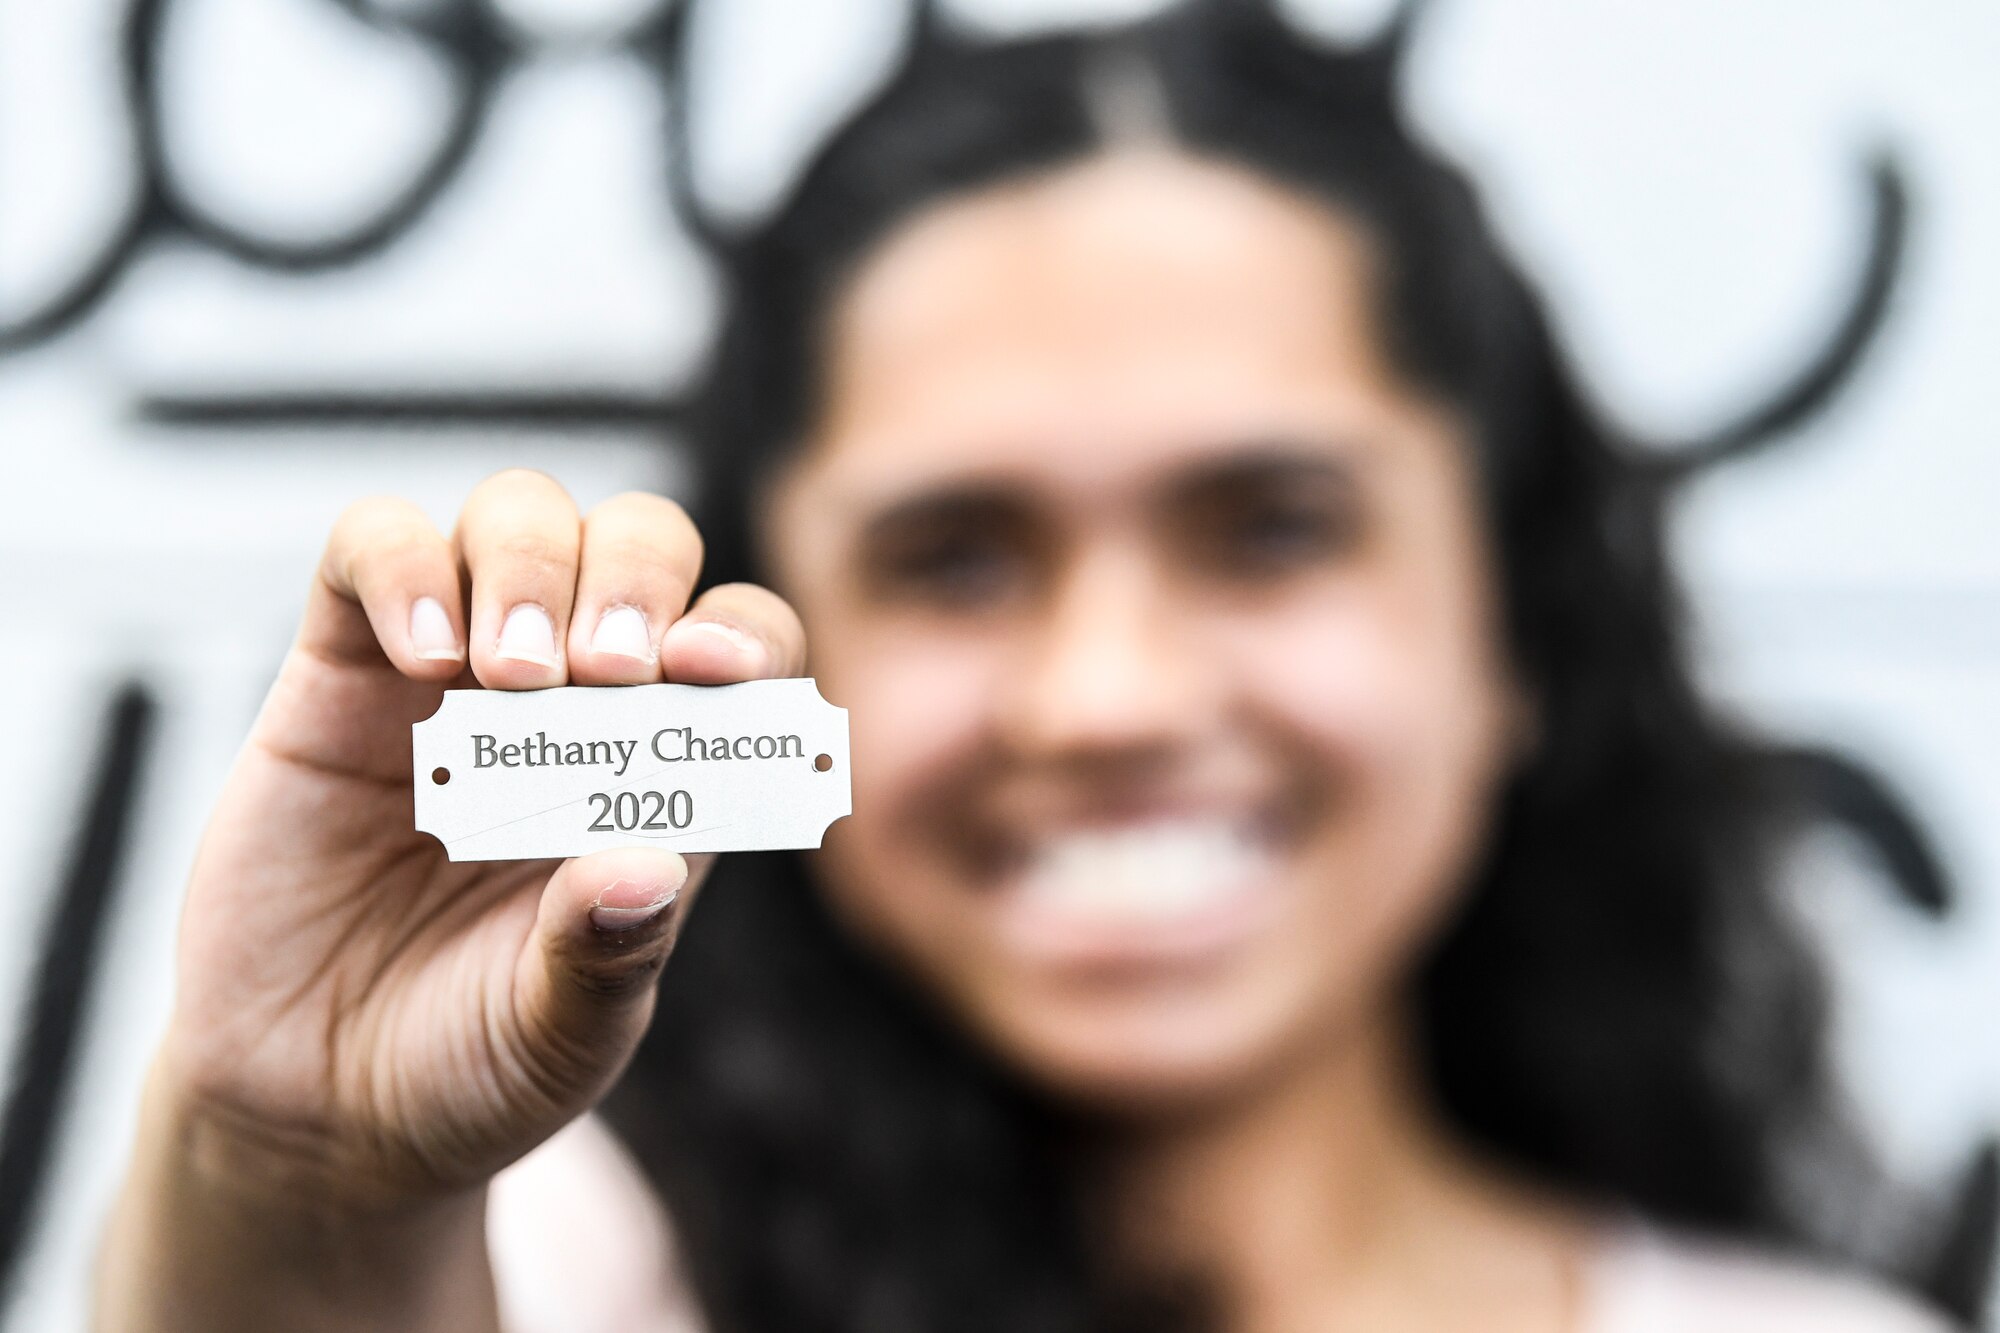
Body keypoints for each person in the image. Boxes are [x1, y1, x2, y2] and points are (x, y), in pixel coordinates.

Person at [93, 3, 1978, 1330]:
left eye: (1272, 527)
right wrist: (301, 1181)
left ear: (1517, 632)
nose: (1110, 697)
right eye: (956, 558)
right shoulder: (552, 1280)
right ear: (766, 643)